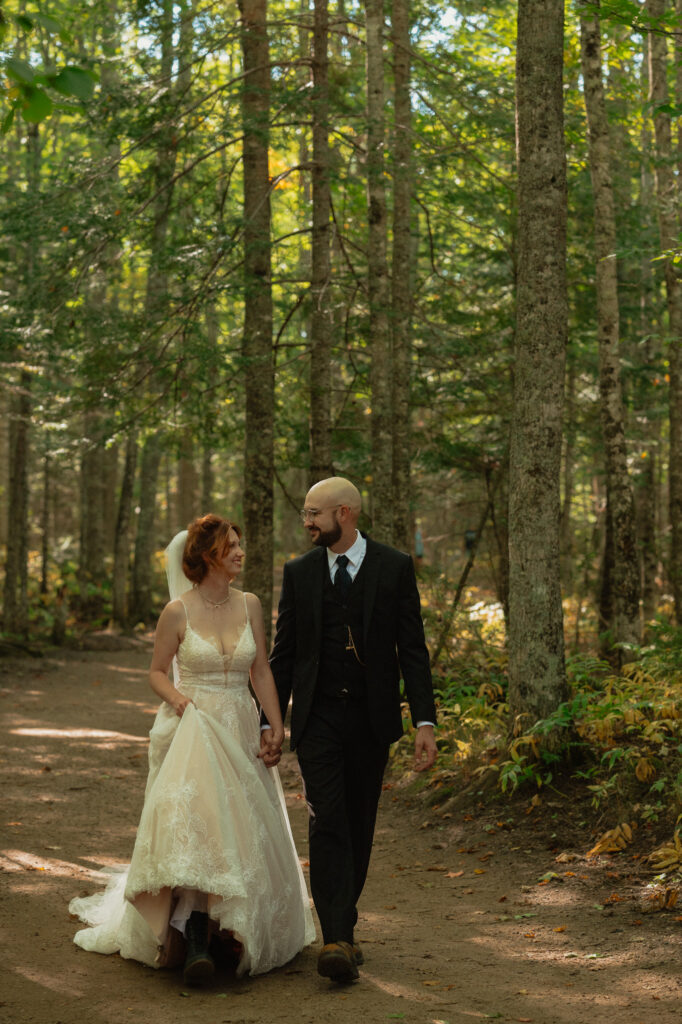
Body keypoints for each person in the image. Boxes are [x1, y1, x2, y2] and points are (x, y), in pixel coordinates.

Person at [69, 514, 315, 985]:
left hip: (240, 726)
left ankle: (230, 931)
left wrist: (275, 725)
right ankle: (195, 936)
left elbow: (261, 669)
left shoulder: (251, 604)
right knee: (203, 827)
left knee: (241, 829)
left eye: (241, 545)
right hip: (193, 727)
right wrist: (180, 700)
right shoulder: (177, 611)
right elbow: (157, 671)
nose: (241, 553)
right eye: (232, 546)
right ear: (207, 556)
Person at [261, 477, 437, 983]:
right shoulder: (299, 572)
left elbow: (413, 650)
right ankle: (335, 937)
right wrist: (269, 721)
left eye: (315, 513)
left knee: (359, 824)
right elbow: (284, 654)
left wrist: (424, 720)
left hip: (372, 721)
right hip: (317, 721)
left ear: (346, 513)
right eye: (305, 515)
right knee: (328, 820)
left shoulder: (395, 567)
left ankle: (346, 927)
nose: (307, 522)